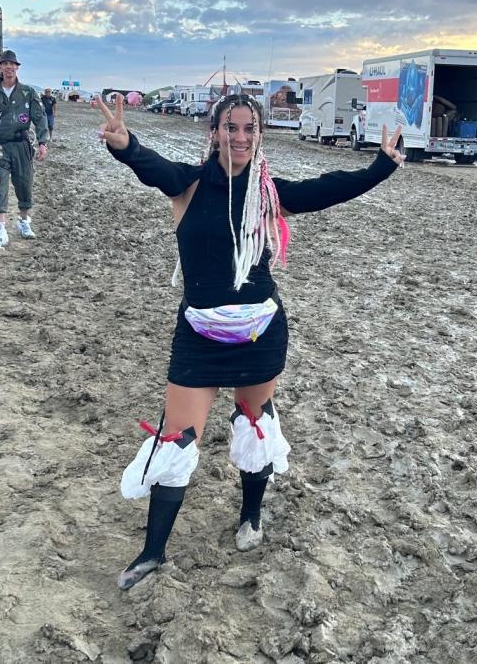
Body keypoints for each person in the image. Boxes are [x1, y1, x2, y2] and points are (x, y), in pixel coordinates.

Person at [97, 92, 404, 590]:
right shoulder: (188, 184)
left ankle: (251, 517)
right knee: (177, 439)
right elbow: (149, 164)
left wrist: (380, 166)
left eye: (248, 128)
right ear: (214, 131)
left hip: (260, 332)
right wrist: (123, 144)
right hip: (199, 334)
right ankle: (152, 552)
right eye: (229, 127)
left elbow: (326, 188)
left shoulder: (269, 194)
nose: (239, 137)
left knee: (255, 423)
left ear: (259, 135)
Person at [0, 49, 49, 250]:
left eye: (12, 64)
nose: (9, 67)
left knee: (24, 183)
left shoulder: (28, 92)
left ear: (17, 68)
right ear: (0, 67)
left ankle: (24, 221)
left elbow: (39, 117)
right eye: (5, 64)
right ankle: (0, 228)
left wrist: (43, 142)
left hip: (22, 145)